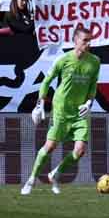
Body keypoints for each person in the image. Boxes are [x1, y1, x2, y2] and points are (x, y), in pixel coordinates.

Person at [22, 25, 100, 195]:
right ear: (76, 41)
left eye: (90, 41)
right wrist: (40, 104)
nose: (88, 44)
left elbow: (93, 85)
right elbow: (46, 81)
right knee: (50, 147)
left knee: (80, 150)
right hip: (62, 110)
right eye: (85, 41)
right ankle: (31, 179)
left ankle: (55, 174)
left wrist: (88, 103)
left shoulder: (95, 61)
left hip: (80, 112)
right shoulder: (63, 60)